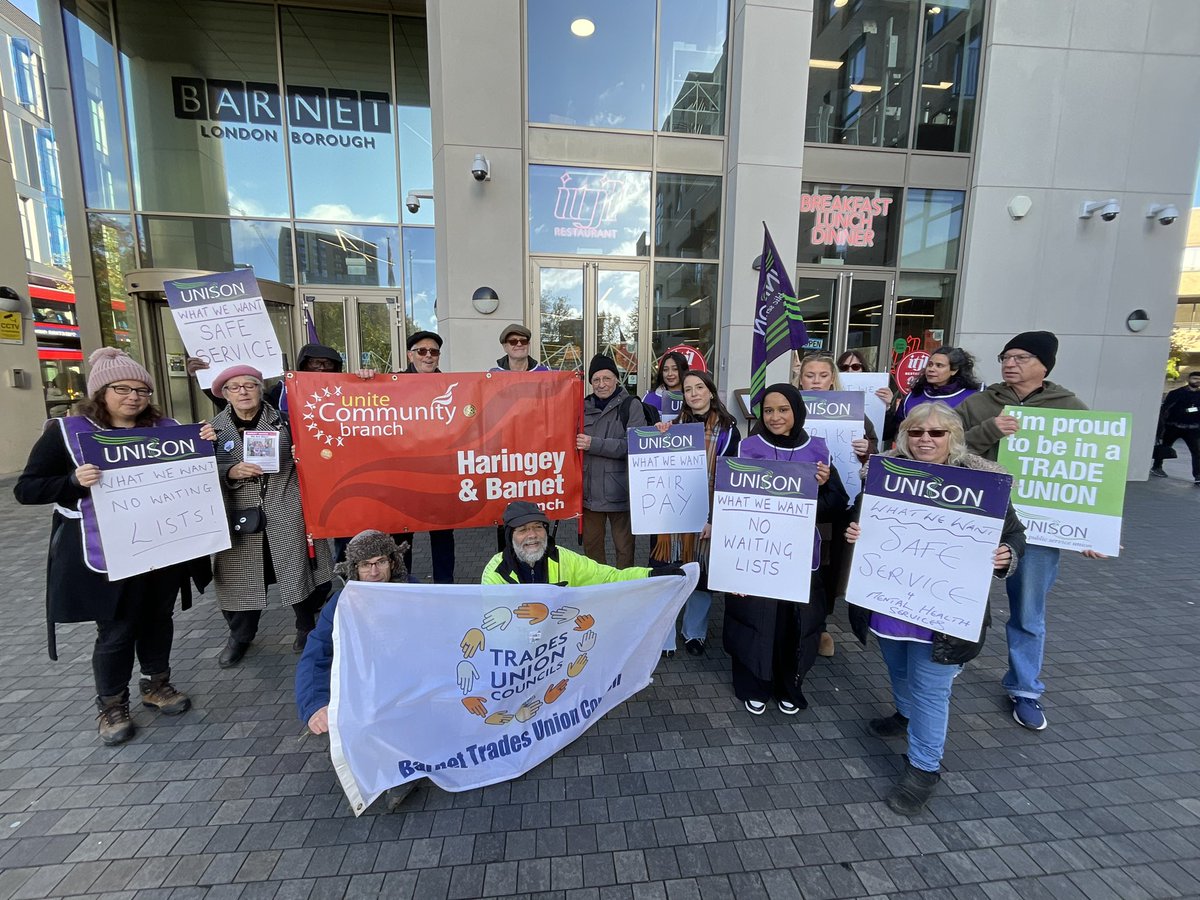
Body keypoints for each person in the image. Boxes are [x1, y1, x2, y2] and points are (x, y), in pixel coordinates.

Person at [15, 348, 212, 745]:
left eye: (141, 389)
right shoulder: (66, 432)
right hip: (107, 551)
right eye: (121, 388)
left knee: (158, 618)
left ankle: (156, 683)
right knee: (117, 628)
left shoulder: (166, 429)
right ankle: (111, 704)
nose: (133, 397)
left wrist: (206, 443)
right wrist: (71, 481)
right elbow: (27, 488)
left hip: (162, 544)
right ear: (100, 392)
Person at [844, 401, 1026, 815]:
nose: (925, 439)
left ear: (954, 438)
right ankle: (904, 715)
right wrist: (857, 527)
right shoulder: (885, 474)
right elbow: (863, 515)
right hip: (890, 603)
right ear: (904, 436)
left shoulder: (983, 483)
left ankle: (923, 769)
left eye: (936, 433)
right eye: (916, 432)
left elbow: (1016, 534)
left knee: (931, 689)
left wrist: (1005, 555)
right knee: (899, 668)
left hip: (944, 612)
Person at [957, 330, 1099, 731]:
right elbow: (946, 450)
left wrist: (1091, 531)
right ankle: (945, 668)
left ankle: (1025, 688)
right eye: (1006, 356)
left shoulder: (1070, 408)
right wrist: (990, 430)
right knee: (957, 598)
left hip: (1039, 528)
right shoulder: (980, 403)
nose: (1009, 363)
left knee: (1028, 612)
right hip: (978, 519)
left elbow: (1090, 471)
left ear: (1044, 365)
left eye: (1020, 357)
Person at [723, 383, 848, 715]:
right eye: (768, 410)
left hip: (800, 556)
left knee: (793, 623)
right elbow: (730, 502)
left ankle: (788, 684)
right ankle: (755, 684)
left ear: (797, 411)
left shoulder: (818, 451)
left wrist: (820, 488)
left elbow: (838, 504)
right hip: (754, 552)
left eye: (783, 410)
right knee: (757, 619)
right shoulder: (748, 447)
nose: (775, 417)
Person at [209, 365, 334, 666]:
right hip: (238, 515)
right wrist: (229, 471)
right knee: (239, 578)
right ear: (225, 395)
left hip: (284, 508)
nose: (243, 392)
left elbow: (320, 454)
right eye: (235, 387)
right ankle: (241, 635)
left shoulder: (288, 422)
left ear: (260, 389)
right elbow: (199, 475)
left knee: (296, 571)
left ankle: (306, 627)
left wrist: (304, 451)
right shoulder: (210, 431)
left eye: (249, 385)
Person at [295, 529, 418, 811]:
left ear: (394, 563)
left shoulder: (415, 593)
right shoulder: (341, 604)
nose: (374, 572)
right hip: (367, 688)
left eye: (380, 562)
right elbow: (316, 654)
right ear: (354, 569)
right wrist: (314, 704)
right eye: (365, 565)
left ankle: (404, 765)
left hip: (410, 685)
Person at [793, 352, 877, 657]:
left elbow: (874, 460)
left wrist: (868, 451)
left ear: (833, 379)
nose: (815, 381)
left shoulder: (855, 415)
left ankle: (821, 626)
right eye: (809, 375)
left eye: (822, 375)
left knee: (826, 569)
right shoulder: (787, 407)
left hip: (832, 508)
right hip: (790, 505)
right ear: (800, 379)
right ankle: (790, 620)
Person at [652, 371, 740, 657]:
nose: (694, 393)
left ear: (711, 392)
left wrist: (715, 519)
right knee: (669, 575)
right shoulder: (673, 426)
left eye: (699, 387)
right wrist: (657, 435)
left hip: (706, 514)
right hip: (673, 516)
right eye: (688, 389)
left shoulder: (728, 431)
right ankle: (665, 636)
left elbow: (729, 480)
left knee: (701, 576)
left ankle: (694, 633)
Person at [483, 501, 679, 585]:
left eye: (538, 527)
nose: (532, 535)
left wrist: (653, 575)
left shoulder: (565, 559)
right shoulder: (495, 573)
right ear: (510, 536)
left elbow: (610, 578)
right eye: (523, 530)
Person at [396, 330, 456, 583]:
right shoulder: (391, 383)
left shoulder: (452, 386)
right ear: (411, 355)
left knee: (443, 535)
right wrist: (364, 378)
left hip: (439, 474)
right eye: (422, 351)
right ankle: (402, 586)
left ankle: (445, 588)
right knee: (401, 539)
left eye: (434, 352)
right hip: (403, 476)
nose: (428, 356)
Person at [577, 354, 647, 569]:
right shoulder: (581, 406)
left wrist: (593, 444)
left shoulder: (631, 405)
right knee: (592, 548)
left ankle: (624, 590)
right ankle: (599, 590)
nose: (601, 384)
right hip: (589, 493)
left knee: (624, 549)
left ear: (617, 379)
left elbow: (632, 446)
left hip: (620, 492)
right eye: (596, 380)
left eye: (606, 378)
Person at [188, 341, 344, 418]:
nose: (322, 368)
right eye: (315, 363)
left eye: (328, 363)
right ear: (303, 364)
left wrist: (365, 380)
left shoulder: (346, 391)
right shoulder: (282, 391)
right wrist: (202, 377)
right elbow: (242, 405)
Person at [895, 346, 981, 425]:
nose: (931, 369)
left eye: (939, 365)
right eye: (930, 364)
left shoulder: (973, 397)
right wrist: (888, 407)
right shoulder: (912, 397)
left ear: (954, 370)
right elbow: (896, 430)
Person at [1150, 370, 1200, 483]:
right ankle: (1157, 467)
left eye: (1199, 380)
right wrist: (1162, 427)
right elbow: (1166, 409)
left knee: (1197, 452)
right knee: (1165, 447)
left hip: (1192, 428)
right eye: (1195, 378)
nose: (1197, 381)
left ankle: (1198, 475)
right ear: (1188, 380)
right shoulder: (1176, 393)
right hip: (1173, 426)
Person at [644, 351, 689, 422]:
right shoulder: (650, 398)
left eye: (675, 369)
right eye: (665, 370)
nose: (670, 374)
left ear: (684, 370)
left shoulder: (692, 397)